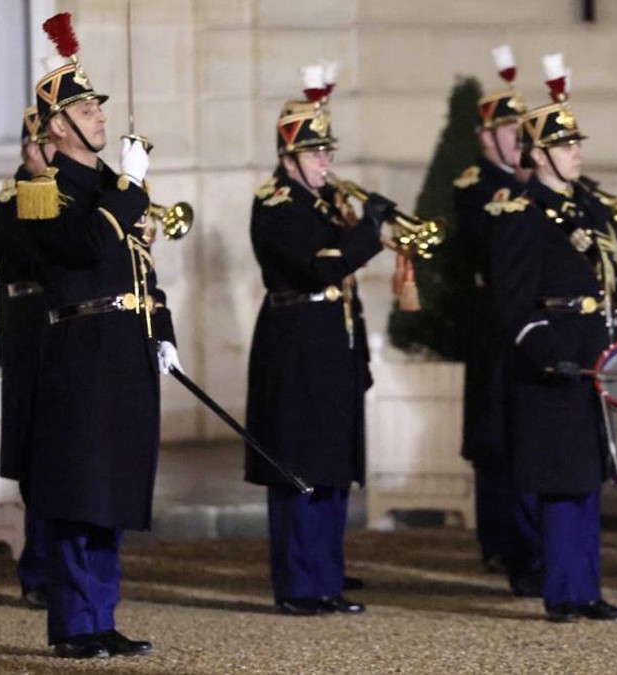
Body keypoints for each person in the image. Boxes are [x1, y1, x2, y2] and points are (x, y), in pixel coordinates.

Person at [17, 13, 177, 659]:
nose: (100, 115)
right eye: (86, 109)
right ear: (58, 125)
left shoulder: (114, 188)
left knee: (114, 490)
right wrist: (130, 187)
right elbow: (83, 247)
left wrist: (162, 329)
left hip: (126, 348)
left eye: (98, 105)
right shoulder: (43, 189)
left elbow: (142, 266)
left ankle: (100, 616)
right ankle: (74, 624)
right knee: (80, 490)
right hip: (81, 353)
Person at [488, 59, 617, 623]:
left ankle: (585, 590)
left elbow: (605, 277)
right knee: (561, 485)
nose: (576, 153)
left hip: (593, 354)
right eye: (565, 145)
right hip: (555, 365)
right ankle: (564, 593)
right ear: (538, 155)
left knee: (586, 482)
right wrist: (548, 354)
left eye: (575, 144)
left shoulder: (585, 206)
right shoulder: (521, 215)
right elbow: (512, 302)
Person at [245, 67, 389, 616]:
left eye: (328, 151)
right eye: (315, 153)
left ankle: (326, 576)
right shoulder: (276, 205)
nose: (326, 162)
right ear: (289, 159)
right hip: (296, 345)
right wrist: (368, 232)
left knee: (332, 465)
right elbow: (320, 267)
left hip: (333, 342)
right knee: (300, 467)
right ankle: (300, 584)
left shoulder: (325, 203)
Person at [452, 45, 543, 594]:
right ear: (486, 136)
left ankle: (525, 541)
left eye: (521, 129)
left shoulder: (533, 181)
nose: (516, 138)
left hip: (534, 317)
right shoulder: (474, 184)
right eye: (508, 130)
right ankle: (498, 540)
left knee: (523, 432)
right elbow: (487, 242)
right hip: (494, 322)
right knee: (494, 434)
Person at [0, 105, 55, 611]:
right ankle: (39, 571)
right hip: (33, 327)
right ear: (30, 147)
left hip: (63, 327)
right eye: (48, 146)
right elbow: (39, 258)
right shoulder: (13, 199)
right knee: (39, 453)